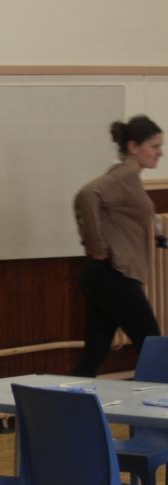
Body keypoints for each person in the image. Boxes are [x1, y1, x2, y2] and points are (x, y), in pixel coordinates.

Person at [73, 115, 164, 376]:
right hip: (114, 274)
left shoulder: (129, 177)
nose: (160, 153)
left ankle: (59, 409)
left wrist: (158, 238)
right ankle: (154, 411)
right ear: (134, 147)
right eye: (154, 146)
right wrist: (96, 244)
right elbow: (88, 195)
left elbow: (125, 217)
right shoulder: (124, 175)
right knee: (152, 344)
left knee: (95, 353)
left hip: (104, 275)